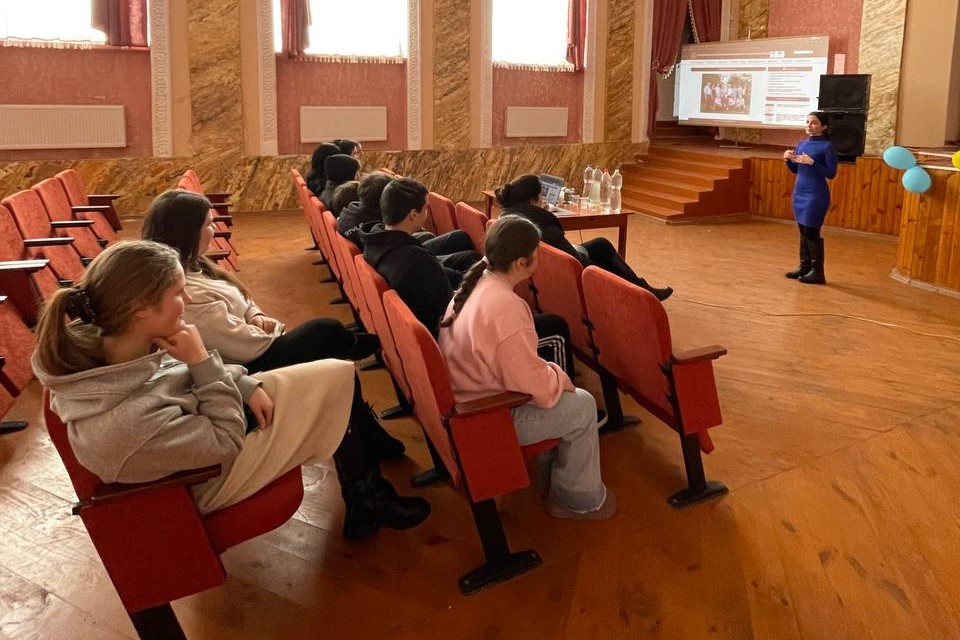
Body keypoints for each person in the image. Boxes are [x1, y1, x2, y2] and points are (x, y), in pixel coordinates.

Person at [32, 240, 430, 541]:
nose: (187, 299)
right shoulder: (125, 422)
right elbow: (222, 439)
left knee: (333, 371)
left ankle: (367, 496)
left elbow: (183, 378)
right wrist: (201, 361)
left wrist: (240, 381)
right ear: (140, 309)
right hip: (206, 474)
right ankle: (368, 498)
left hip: (204, 426)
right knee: (332, 377)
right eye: (177, 292)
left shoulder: (124, 343)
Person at [141, 189, 405, 461]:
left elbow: (241, 297)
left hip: (247, 346)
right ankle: (355, 361)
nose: (214, 229)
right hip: (244, 365)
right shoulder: (185, 292)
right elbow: (243, 346)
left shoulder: (195, 265)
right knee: (325, 334)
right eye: (208, 224)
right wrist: (273, 329)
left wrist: (255, 315)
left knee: (333, 354)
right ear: (187, 232)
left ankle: (366, 428)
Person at [438, 216, 614, 520]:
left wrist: (549, 375)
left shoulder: (475, 284)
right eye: (537, 253)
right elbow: (536, 391)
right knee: (582, 405)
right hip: (487, 414)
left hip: (470, 399)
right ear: (522, 262)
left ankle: (553, 480)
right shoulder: (505, 306)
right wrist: (560, 377)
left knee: (563, 394)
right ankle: (579, 500)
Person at [496, 174, 673, 301]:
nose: (544, 199)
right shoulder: (542, 224)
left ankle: (640, 288)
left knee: (600, 244)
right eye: (542, 195)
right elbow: (574, 260)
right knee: (602, 251)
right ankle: (639, 292)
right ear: (532, 200)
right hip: (565, 269)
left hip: (547, 263)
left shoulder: (507, 213)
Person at [783, 111, 838, 285]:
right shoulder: (802, 144)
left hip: (815, 194)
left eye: (814, 123)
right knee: (803, 231)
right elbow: (797, 170)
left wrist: (813, 163)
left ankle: (817, 272)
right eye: (807, 122)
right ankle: (804, 266)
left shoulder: (827, 147)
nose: (809, 125)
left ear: (824, 126)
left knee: (812, 232)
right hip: (800, 192)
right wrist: (789, 160)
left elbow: (831, 173)